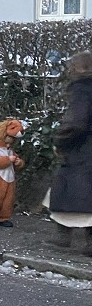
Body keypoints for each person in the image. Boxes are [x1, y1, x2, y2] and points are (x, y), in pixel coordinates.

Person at [47, 51, 92, 252]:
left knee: (66, 191)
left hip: (82, 150)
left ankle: (62, 237)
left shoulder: (83, 89)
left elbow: (76, 121)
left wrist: (60, 141)